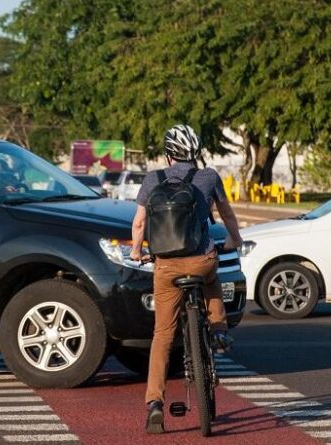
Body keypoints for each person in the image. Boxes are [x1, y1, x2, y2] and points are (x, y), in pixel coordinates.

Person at [129, 124, 244, 434]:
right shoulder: (209, 177)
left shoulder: (153, 180)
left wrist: (137, 251)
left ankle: (155, 403)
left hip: (166, 267)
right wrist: (235, 239)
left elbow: (139, 223)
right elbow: (227, 215)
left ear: (169, 155)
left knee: (163, 335)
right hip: (200, 260)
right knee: (211, 275)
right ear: (196, 153)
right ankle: (219, 330)